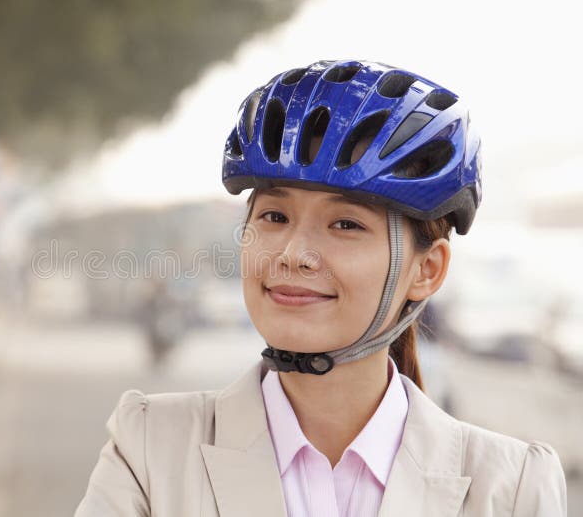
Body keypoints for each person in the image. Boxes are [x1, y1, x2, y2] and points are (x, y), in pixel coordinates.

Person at [74, 59, 567, 516]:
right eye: (273, 215)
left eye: (346, 225)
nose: (292, 253)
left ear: (428, 270)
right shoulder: (148, 451)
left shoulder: (511, 488)